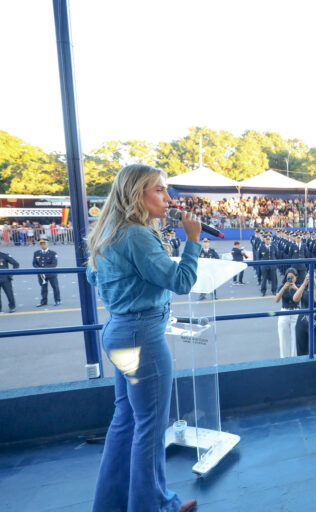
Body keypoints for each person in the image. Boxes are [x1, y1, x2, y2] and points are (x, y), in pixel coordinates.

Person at [85, 164, 200, 512]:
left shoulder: (109, 229)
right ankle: (154, 507)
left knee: (125, 421)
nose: (168, 198)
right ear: (137, 194)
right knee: (149, 427)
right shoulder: (136, 234)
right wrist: (192, 241)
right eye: (160, 190)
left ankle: (112, 505)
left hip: (118, 332)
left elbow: (93, 278)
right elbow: (180, 282)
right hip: (143, 337)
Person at [293, 269, 316, 356]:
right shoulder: (302, 288)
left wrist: (314, 286)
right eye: (311, 277)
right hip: (301, 321)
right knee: (301, 349)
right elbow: (295, 298)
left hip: (315, 322)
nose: (313, 279)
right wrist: (304, 283)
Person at [274, 267, 300, 358]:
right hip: (284, 313)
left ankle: (295, 358)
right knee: (283, 338)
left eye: (292, 277)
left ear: (296, 277)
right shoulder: (282, 286)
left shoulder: (299, 287)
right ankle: (284, 359)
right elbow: (276, 300)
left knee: (296, 339)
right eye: (288, 277)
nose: (290, 279)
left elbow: (303, 297)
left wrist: (296, 288)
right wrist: (284, 287)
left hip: (296, 312)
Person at [33, 237, 61, 307]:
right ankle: (44, 301)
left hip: (51, 273)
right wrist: (39, 269)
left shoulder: (53, 253)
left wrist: (43, 269)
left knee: (55, 287)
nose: (43, 245)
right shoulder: (36, 253)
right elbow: (34, 263)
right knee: (43, 288)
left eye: (44, 244)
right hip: (41, 274)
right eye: (41, 244)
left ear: (47, 244)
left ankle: (57, 300)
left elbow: (54, 264)